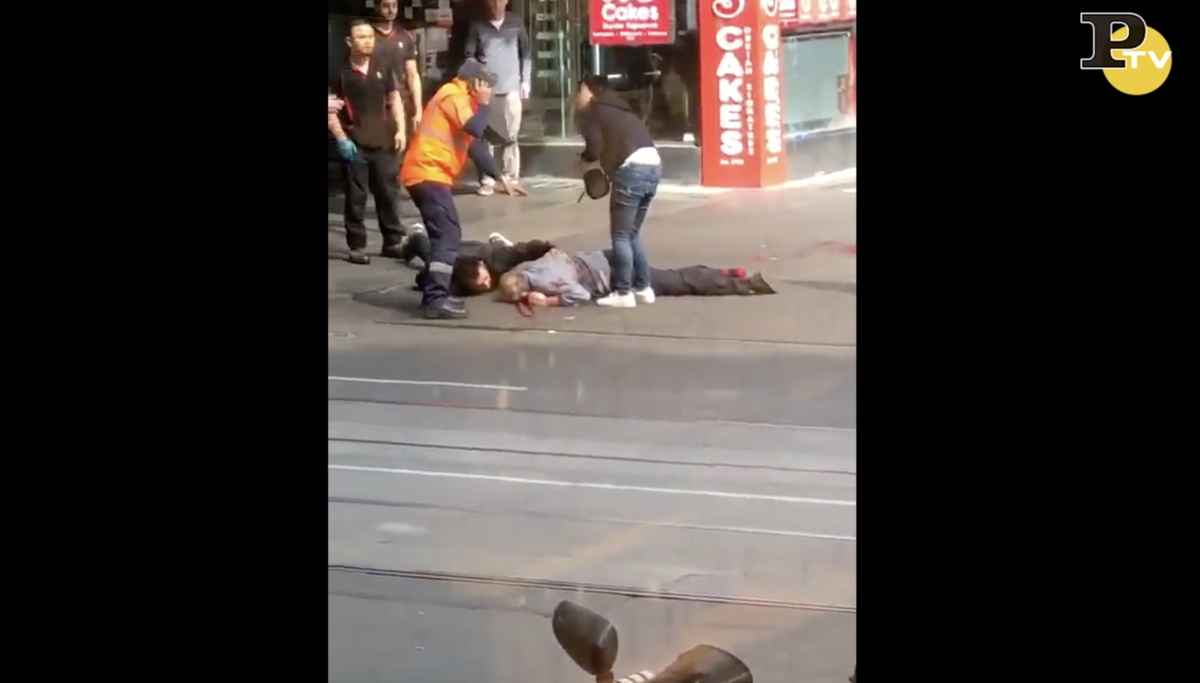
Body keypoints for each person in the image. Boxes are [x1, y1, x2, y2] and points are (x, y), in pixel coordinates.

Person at [402, 59, 529, 320]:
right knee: (448, 236)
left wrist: (500, 177)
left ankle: (434, 291)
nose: (490, 90)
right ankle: (435, 299)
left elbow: (475, 146)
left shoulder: (463, 103)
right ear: (476, 83)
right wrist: (483, 104)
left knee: (444, 236)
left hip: (430, 174)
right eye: (487, 85)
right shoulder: (453, 95)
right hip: (428, 172)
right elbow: (475, 128)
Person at [574, 74, 662, 308]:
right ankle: (643, 288)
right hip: (653, 165)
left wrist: (582, 161)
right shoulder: (621, 108)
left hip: (632, 168)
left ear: (590, 91)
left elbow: (594, 148)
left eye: (580, 90)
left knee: (621, 235)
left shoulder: (594, 110)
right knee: (632, 233)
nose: (577, 96)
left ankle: (624, 292)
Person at [328, 20, 409, 266]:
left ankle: (392, 241)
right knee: (356, 197)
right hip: (355, 142)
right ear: (349, 41)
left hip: (383, 139)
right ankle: (357, 245)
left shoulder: (382, 65)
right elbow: (331, 109)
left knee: (388, 192)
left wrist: (401, 130)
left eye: (371, 37)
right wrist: (341, 138)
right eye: (361, 37)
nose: (368, 42)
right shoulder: (338, 72)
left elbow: (394, 97)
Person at [495, 248, 776, 306]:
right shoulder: (532, 266)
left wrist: (549, 301)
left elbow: (580, 294)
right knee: (672, 275)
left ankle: (743, 284)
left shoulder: (545, 284)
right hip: (603, 257)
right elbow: (556, 252)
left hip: (614, 274)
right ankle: (727, 273)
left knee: (677, 282)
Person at [464, 0, 531, 195]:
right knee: (487, 136)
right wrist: (476, 79)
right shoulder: (478, 25)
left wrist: (525, 81)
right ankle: (488, 179)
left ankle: (511, 177)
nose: (495, 4)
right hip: (487, 89)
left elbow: (525, 55)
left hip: (511, 87)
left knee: (511, 135)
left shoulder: (515, 23)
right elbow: (470, 56)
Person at [402, 231, 555, 295]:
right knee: (429, 251)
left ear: (483, 266)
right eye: (479, 285)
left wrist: (548, 248)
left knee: (507, 253)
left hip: (482, 250)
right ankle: (417, 236)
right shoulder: (450, 276)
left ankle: (498, 242)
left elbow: (524, 250)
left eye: (485, 279)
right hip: (452, 251)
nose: (487, 285)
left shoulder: (496, 260)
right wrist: (422, 284)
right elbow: (425, 275)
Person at [371, 0, 422, 136]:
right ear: (377, 6)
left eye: (394, 5)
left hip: (402, 101)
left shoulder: (405, 37)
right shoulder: (368, 36)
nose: (391, 10)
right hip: (376, 103)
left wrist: (418, 109)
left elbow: (413, 75)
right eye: (386, 6)